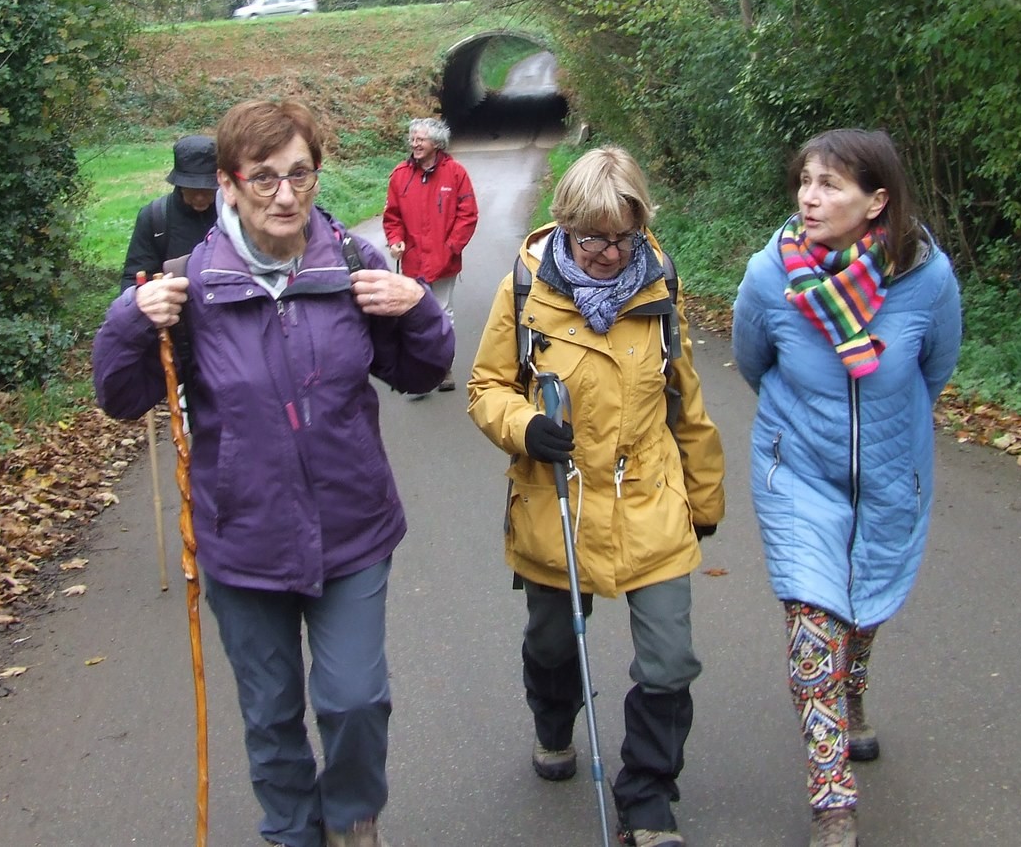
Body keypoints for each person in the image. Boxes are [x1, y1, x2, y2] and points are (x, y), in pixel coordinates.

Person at [93, 99, 455, 847]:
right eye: (263, 179)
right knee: (270, 713)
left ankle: (353, 813)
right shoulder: (190, 285)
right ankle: (293, 831)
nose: (285, 196)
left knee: (355, 698)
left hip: (353, 528)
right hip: (244, 538)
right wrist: (133, 317)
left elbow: (423, 367)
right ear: (228, 184)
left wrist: (417, 306)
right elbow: (122, 399)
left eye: (300, 175)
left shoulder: (353, 265)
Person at [467, 146, 725, 847]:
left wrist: (703, 499)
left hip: (651, 501)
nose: (609, 253)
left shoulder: (660, 289)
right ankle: (554, 724)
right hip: (558, 500)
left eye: (623, 237)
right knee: (553, 646)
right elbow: (487, 389)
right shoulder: (524, 291)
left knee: (671, 661)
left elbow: (686, 403)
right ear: (565, 226)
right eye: (592, 238)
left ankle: (647, 797)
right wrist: (525, 426)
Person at [731, 129, 962, 847]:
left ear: (877, 201)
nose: (809, 196)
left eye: (830, 184)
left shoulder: (927, 278)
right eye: (805, 180)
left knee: (861, 613)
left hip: (891, 476)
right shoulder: (771, 275)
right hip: (797, 472)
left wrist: (889, 434)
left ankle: (853, 684)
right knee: (812, 625)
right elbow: (751, 360)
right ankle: (832, 798)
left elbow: (934, 372)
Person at [383, 117, 478, 393]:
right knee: (414, 316)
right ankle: (421, 372)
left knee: (442, 312)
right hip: (412, 260)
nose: (414, 144)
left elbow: (467, 214)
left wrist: (451, 248)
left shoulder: (456, 174)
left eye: (420, 139)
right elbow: (392, 216)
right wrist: (396, 240)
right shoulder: (400, 175)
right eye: (412, 139)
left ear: (436, 143)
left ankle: (444, 367)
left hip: (445, 261)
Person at [118, 133, 219, 294]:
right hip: (174, 313)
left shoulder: (233, 215)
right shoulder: (155, 218)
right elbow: (133, 279)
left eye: (207, 190)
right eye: (192, 190)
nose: (200, 198)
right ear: (179, 185)